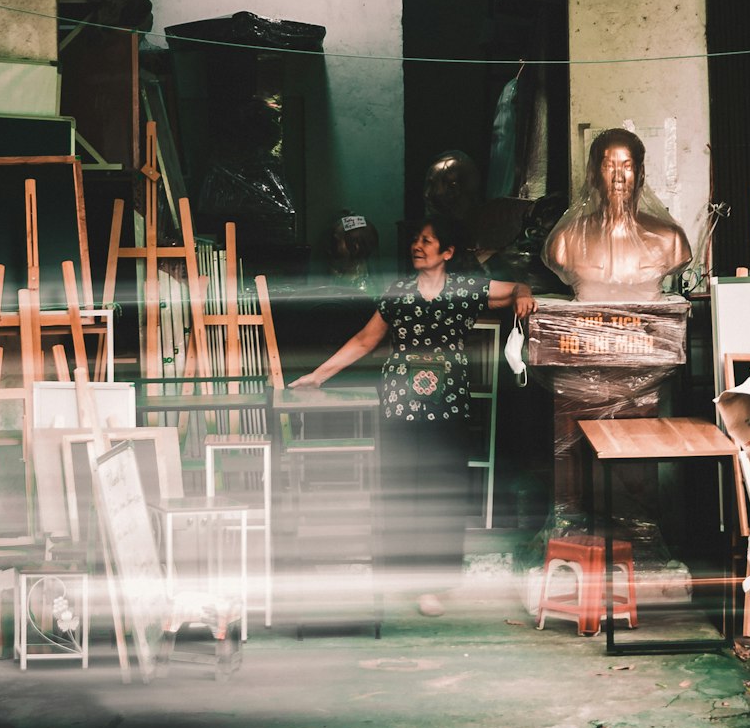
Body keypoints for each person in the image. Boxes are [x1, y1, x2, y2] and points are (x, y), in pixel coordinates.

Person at [291, 215, 537, 617]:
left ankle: (432, 585)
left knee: (441, 492)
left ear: (448, 252)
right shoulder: (398, 292)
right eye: (416, 240)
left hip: (449, 405)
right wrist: (318, 376)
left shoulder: (464, 290)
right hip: (399, 405)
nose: (417, 246)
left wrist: (524, 293)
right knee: (400, 485)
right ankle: (397, 574)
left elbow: (515, 289)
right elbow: (366, 339)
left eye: (427, 241)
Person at [543, 128, 691, 302]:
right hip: (589, 327)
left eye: (627, 166)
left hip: (647, 329)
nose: (618, 177)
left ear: (641, 175)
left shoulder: (670, 239)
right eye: (608, 166)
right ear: (593, 175)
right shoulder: (566, 240)